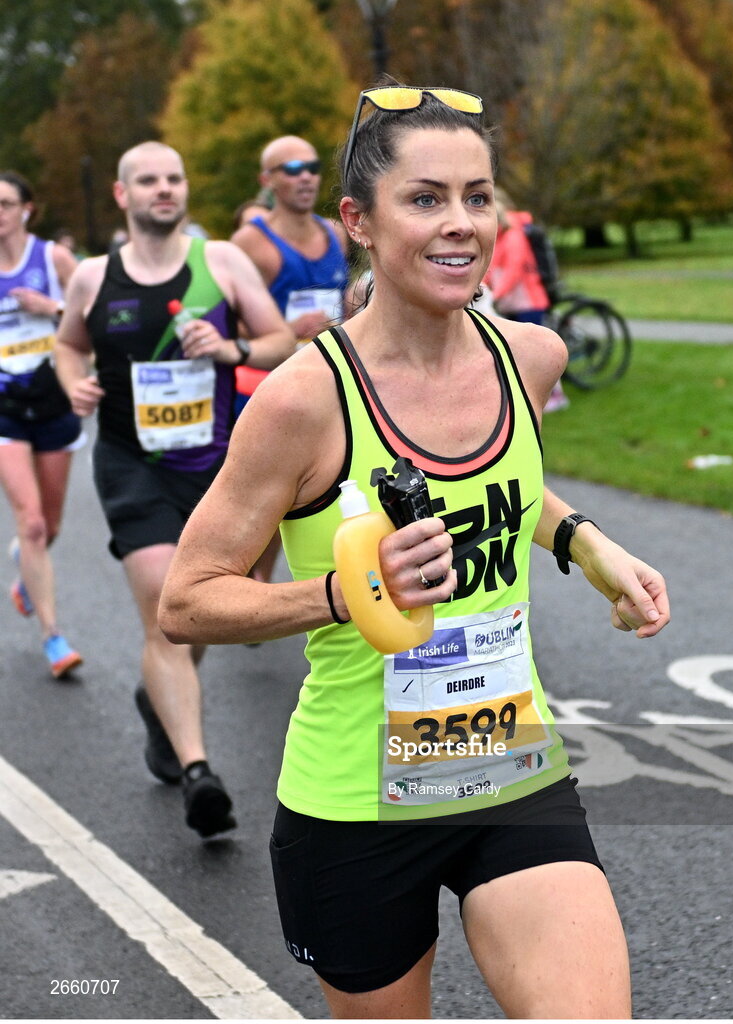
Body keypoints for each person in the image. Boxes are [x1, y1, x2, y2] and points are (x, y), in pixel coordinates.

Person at [158, 86, 669, 1016]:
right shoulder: (303, 401)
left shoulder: (530, 358)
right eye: (426, 198)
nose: (461, 224)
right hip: (357, 805)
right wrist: (349, 594)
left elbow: (501, 487)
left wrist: (586, 542)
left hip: (512, 765)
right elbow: (188, 599)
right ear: (358, 219)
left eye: (478, 197)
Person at [54, 141, 296, 839]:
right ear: (122, 196)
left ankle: (157, 700)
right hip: (133, 464)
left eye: (174, 178)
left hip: (219, 469)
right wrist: (76, 380)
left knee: (199, 615)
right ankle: (198, 773)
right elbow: (69, 343)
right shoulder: (94, 278)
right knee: (167, 610)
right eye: (149, 181)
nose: (165, 189)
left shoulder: (218, 263)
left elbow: (280, 338)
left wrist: (231, 351)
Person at [230, 136, 351, 585]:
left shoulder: (335, 233)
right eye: (291, 168)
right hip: (267, 391)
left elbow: (345, 302)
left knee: (312, 491)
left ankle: (264, 576)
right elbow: (227, 322)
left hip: (328, 385)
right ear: (268, 181)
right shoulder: (251, 242)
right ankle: (244, 575)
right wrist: (289, 327)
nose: (305, 176)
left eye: (312, 166)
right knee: (268, 496)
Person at [0, 170, 85, 678]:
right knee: (30, 522)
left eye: (6, 204)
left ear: (27, 209)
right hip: (5, 404)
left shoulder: (53, 259)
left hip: (53, 400)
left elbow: (90, 317)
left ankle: (25, 571)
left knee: (49, 525)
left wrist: (51, 307)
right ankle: (54, 637)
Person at [485, 187, 568, 412]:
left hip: (528, 301)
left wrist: (496, 294)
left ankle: (556, 395)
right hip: (509, 302)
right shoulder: (499, 236)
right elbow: (492, 268)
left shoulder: (514, 235)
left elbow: (514, 269)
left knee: (538, 351)